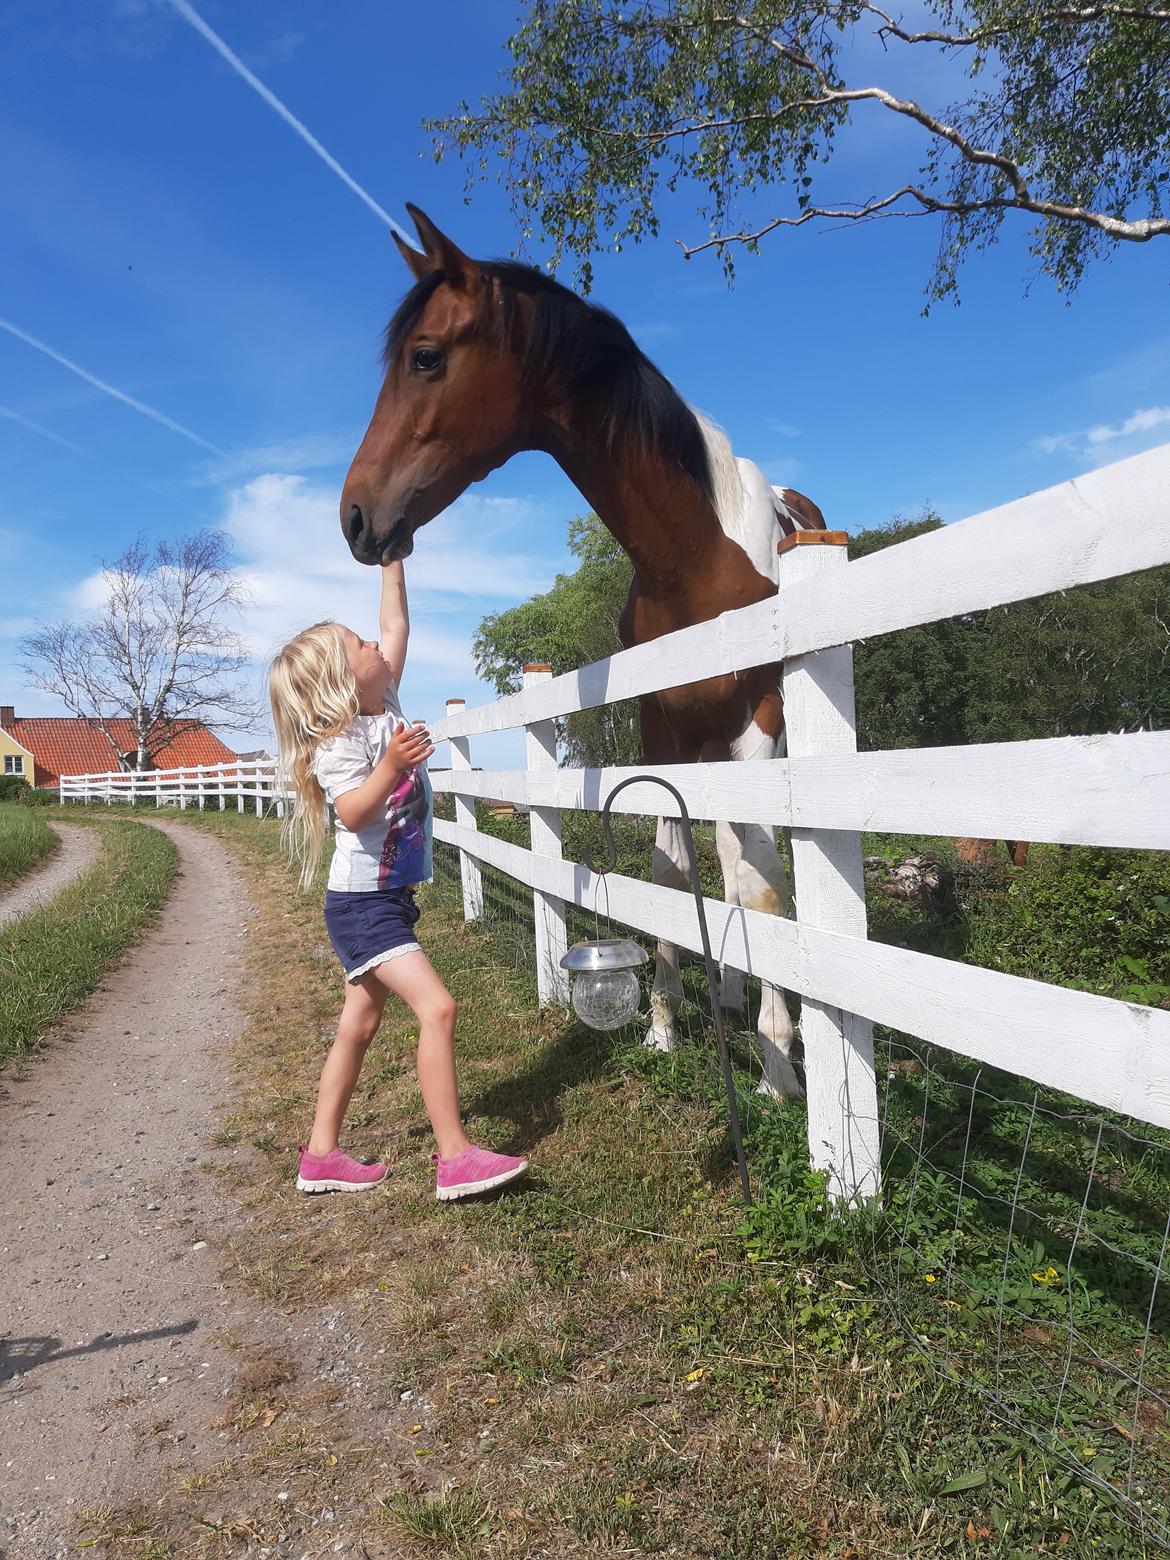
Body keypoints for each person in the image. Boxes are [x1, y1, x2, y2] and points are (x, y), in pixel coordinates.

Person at [267, 559, 529, 1201]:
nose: (377, 646)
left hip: (386, 899)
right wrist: (388, 765)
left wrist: (392, 558)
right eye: (361, 646)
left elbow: (397, 621)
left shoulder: (386, 705)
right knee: (438, 1008)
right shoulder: (340, 740)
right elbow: (353, 813)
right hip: (362, 906)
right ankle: (455, 1158)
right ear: (339, 680)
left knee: (358, 1023)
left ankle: (321, 1156)